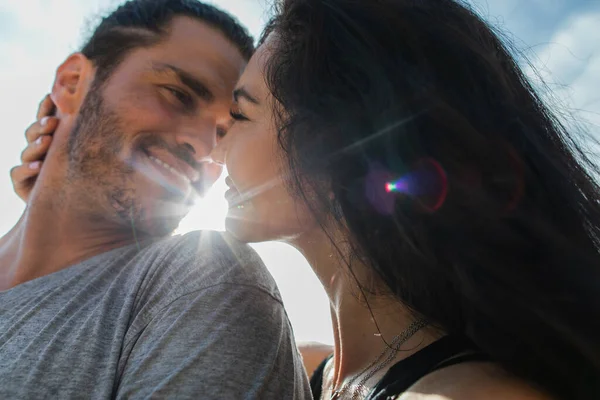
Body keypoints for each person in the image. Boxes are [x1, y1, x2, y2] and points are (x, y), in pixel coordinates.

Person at [14, 0, 600, 399]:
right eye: (175, 93)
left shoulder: (459, 389)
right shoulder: (333, 373)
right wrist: (61, 216)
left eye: (235, 119)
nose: (209, 152)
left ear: (334, 145)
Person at [0, 1, 311, 399]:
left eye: (221, 132)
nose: (203, 148)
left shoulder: (198, 282)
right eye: (178, 95)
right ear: (73, 83)